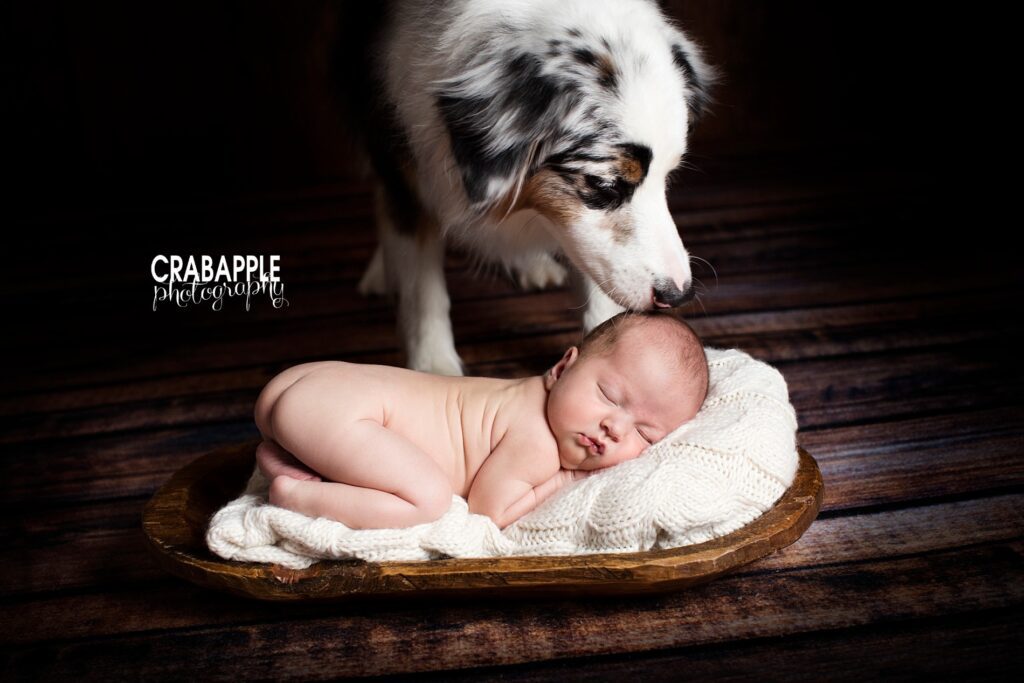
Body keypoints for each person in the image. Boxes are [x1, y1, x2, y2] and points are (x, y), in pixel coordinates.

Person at [254, 311, 709, 531]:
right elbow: (489, 511)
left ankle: (284, 449)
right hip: (338, 409)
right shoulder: (537, 439)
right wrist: (565, 478)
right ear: (562, 368)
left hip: (309, 385)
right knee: (429, 500)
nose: (615, 428)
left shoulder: (520, 394)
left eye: (645, 434)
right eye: (609, 395)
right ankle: (294, 492)